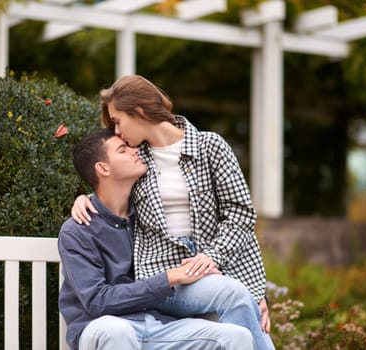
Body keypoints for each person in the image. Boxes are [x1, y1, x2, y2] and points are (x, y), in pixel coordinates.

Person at [72, 75, 275, 349]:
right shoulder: (136, 160)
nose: (116, 132)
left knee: (239, 299)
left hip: (213, 272)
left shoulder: (210, 147)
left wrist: (249, 286)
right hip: (163, 278)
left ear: (140, 111)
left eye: (118, 121)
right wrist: (83, 198)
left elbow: (241, 215)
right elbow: (109, 186)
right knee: (235, 295)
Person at [58, 128, 255, 350]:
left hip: (158, 325)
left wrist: (255, 296)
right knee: (117, 331)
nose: (134, 151)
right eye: (123, 150)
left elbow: (232, 226)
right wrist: (169, 278)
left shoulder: (148, 215)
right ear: (103, 168)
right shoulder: (77, 231)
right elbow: (97, 302)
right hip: (102, 326)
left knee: (236, 336)